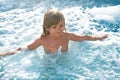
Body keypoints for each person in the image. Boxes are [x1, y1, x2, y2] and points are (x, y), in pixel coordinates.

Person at [0, 9, 108, 57]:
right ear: (47, 28)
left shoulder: (67, 36)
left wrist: (99, 38)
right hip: (49, 61)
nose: (59, 29)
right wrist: (5, 54)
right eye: (54, 27)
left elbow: (83, 37)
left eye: (61, 25)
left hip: (64, 59)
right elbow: (26, 48)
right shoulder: (43, 40)